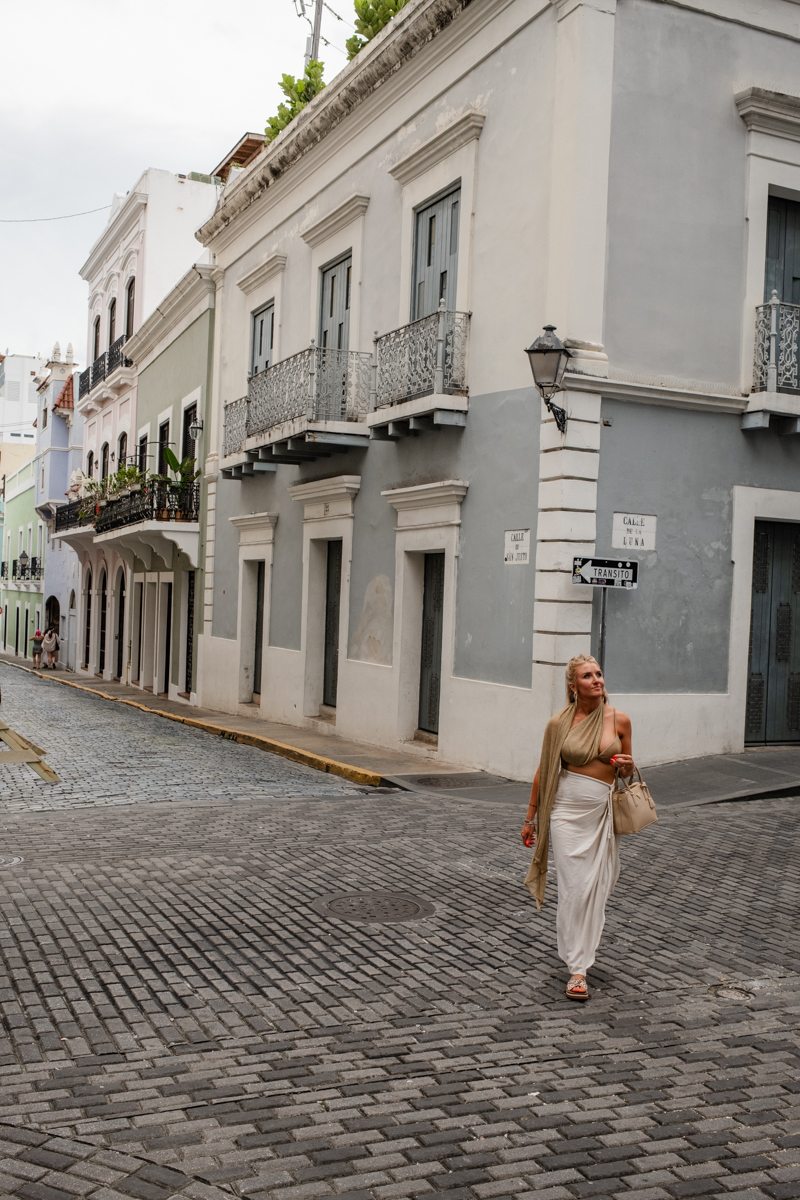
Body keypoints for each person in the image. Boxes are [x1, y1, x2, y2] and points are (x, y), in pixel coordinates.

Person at [522, 654, 635, 1001]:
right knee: (575, 890)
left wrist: (626, 766)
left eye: (599, 673)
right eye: (588, 676)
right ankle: (577, 970)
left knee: (596, 889)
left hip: (601, 814)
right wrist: (530, 818)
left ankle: (581, 955)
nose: (597, 680)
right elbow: (544, 771)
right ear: (573, 686)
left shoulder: (620, 719)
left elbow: (627, 772)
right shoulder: (558, 723)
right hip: (565, 814)